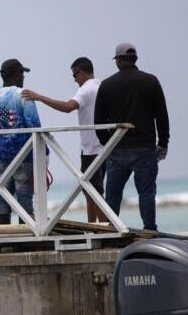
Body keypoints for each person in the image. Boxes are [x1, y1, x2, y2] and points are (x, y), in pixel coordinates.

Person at [95, 43, 169, 231]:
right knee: (146, 193)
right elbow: (161, 115)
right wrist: (163, 143)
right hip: (145, 147)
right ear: (135, 59)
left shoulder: (107, 84)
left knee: (113, 194)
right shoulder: (150, 81)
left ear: (119, 60)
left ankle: (111, 229)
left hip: (117, 148)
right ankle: (150, 229)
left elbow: (98, 121)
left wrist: (107, 144)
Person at [22, 57, 106, 223]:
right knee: (90, 190)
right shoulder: (101, 85)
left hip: (91, 148)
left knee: (93, 191)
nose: (74, 80)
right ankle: (93, 227)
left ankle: (106, 226)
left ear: (81, 72)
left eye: (74, 75)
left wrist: (39, 97)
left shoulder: (86, 89)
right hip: (104, 146)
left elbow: (68, 107)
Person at [0, 59, 44, 224]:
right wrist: (44, 152)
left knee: (3, 195)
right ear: (15, 74)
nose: (23, 77)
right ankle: (27, 230)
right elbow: (34, 125)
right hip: (24, 154)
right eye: (21, 73)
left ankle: (4, 231)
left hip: (2, 155)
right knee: (24, 193)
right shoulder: (23, 95)